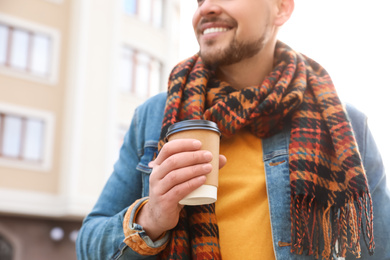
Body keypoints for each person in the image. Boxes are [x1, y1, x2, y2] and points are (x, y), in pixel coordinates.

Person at [76, 0, 390, 259]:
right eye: (198, 0)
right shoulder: (153, 116)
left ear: (281, 8)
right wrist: (151, 218)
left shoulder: (343, 126)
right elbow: (87, 246)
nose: (206, 8)